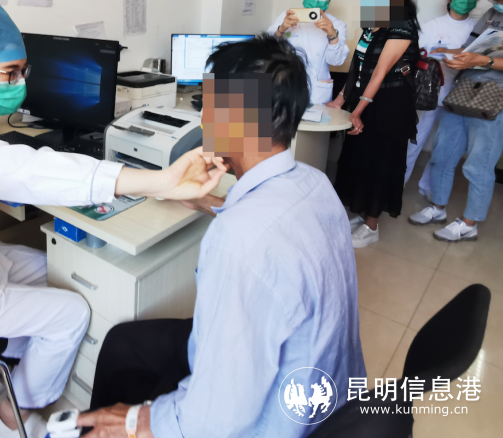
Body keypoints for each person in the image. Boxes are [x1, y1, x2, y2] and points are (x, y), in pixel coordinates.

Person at [0, 1, 228, 438]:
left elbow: (4, 167)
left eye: (24, 70)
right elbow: (21, 170)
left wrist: (154, 185)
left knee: (56, 271)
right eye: (10, 73)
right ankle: (11, 415)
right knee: (70, 312)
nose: (21, 83)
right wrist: (160, 181)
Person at [77, 35, 366, 438]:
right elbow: (275, 226)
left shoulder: (236, 241)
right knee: (124, 342)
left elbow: (219, 417)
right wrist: (209, 202)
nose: (203, 116)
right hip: (327, 391)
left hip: (273, 421)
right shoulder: (313, 182)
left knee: (124, 401)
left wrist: (135, 421)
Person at [327, 0, 422, 248]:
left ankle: (371, 225)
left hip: (390, 106)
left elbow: (380, 72)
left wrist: (357, 111)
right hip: (365, 102)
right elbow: (357, 67)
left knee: (381, 163)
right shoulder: (372, 25)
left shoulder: (402, 27)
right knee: (360, 160)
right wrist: (340, 100)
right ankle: (361, 213)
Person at [408, 0, 503, 242]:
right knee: (442, 154)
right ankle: (437, 208)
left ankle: (470, 224)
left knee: (479, 165)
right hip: (463, 88)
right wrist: (447, 54)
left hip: (495, 96)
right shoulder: (491, 13)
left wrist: (482, 61)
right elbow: (470, 47)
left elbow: (481, 57)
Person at [405, 0, 477, 200]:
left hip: (461, 98)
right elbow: (413, 56)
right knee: (413, 143)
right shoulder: (432, 26)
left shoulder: (475, 28)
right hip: (429, 95)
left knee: (444, 149)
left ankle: (430, 188)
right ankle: (397, 184)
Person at [268, 0, 350, 104]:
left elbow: (336, 61)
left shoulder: (336, 24)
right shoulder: (287, 17)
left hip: (317, 92)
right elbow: (267, 49)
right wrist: (281, 29)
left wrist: (333, 35)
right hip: (287, 84)